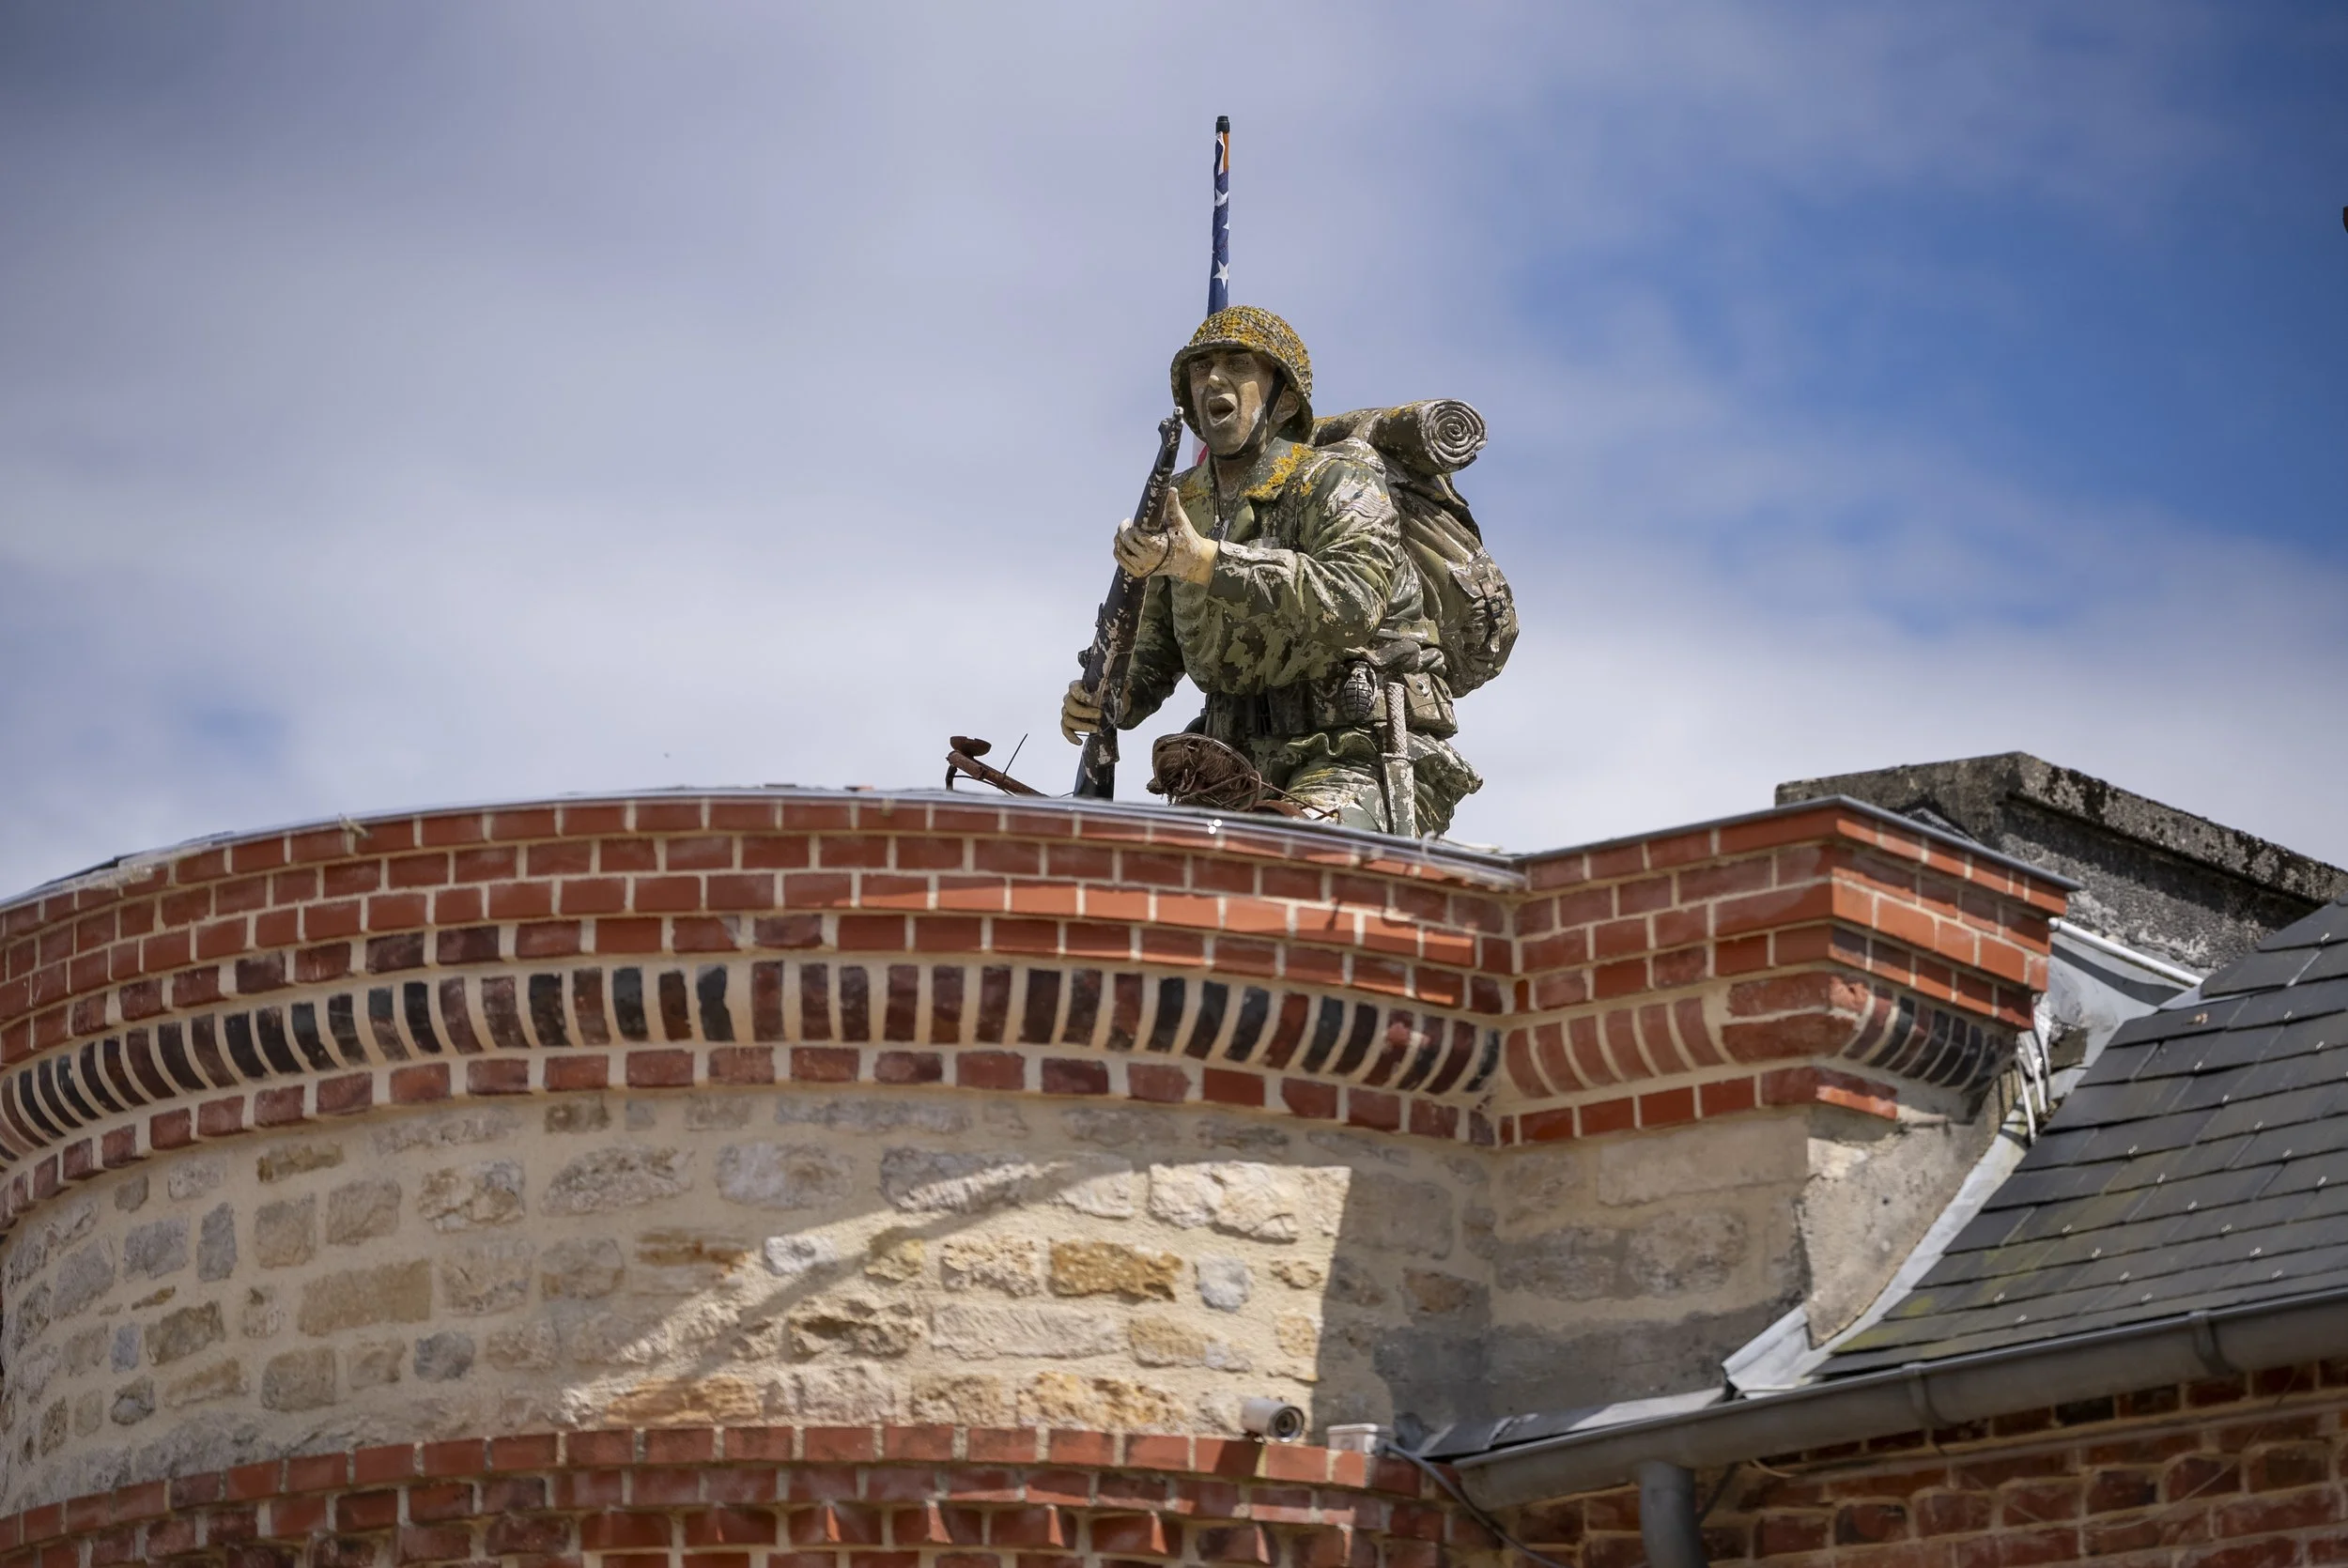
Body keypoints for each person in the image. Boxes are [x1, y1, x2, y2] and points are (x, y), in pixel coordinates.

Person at [1059, 306, 1481, 835]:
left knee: (1286, 857)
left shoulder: (1337, 484)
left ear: (1283, 399)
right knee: (1161, 875)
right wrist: (1108, 699)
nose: (1213, 378)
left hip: (1357, 752)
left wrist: (1205, 561)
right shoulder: (1183, 504)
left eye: (1238, 364)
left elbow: (1352, 603)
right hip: (1226, 767)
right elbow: (1155, 648)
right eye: (1201, 367)